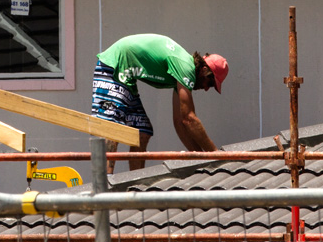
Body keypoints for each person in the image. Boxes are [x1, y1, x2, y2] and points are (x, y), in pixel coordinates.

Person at [90, 34, 229, 172]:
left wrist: (201, 158)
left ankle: (133, 184)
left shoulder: (181, 73)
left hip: (126, 77)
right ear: (204, 70)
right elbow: (189, 118)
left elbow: (179, 122)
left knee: (142, 131)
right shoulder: (185, 67)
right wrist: (215, 154)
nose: (205, 89)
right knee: (111, 128)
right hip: (113, 67)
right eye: (209, 83)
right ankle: (104, 187)